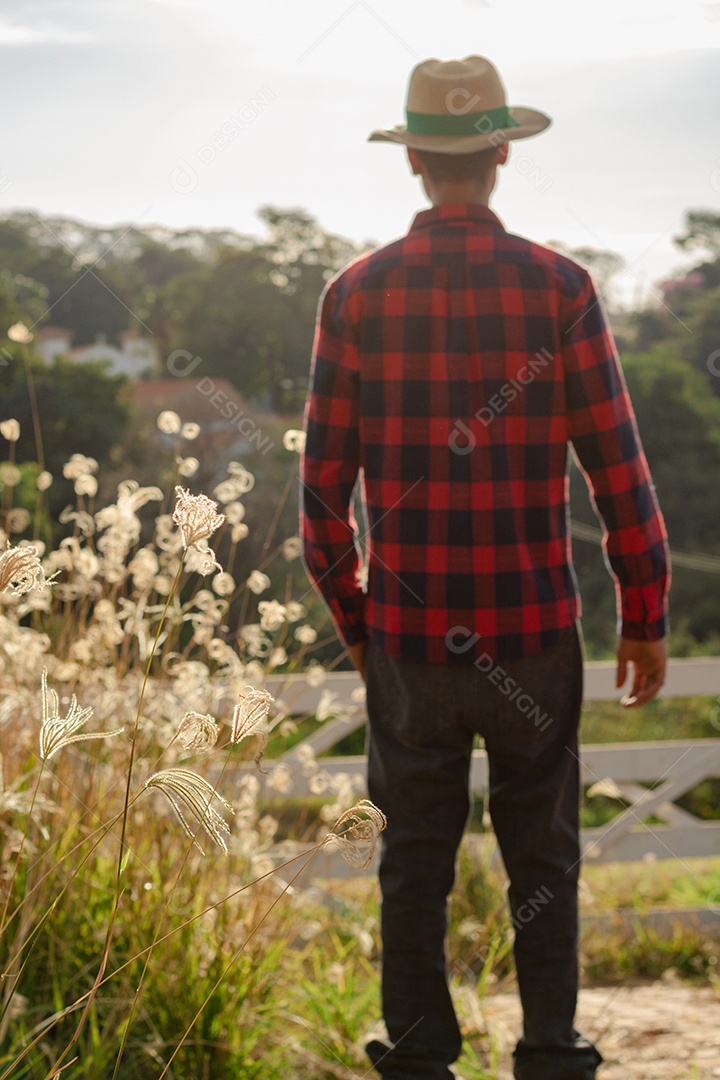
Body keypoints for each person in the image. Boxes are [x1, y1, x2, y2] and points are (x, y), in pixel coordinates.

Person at [300, 55, 669, 1080]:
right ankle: (550, 1049)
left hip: (410, 642)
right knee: (543, 853)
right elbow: (617, 468)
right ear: (502, 153)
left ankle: (420, 1057)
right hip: (534, 636)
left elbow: (321, 493)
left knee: (412, 855)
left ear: (414, 159)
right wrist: (645, 612)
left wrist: (361, 621)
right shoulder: (562, 290)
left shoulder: (355, 295)